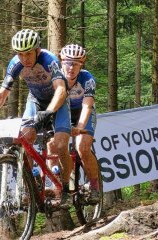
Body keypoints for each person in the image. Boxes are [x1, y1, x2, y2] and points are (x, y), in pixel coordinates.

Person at [0, 29, 73, 208]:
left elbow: (60, 89)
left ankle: (65, 188)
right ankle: (32, 185)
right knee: (25, 137)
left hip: (57, 102)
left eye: (28, 53)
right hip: (35, 99)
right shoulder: (15, 64)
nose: (24, 59)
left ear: (37, 50)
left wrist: (49, 111)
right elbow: (3, 93)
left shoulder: (49, 60)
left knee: (60, 144)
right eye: (20, 54)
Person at [60, 44, 100, 204]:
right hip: (64, 112)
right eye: (68, 63)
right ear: (61, 62)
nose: (71, 67)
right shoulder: (55, 79)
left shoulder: (87, 79)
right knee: (52, 145)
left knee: (82, 147)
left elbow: (87, 105)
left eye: (76, 64)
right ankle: (57, 184)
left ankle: (95, 186)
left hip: (84, 113)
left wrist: (80, 126)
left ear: (81, 65)